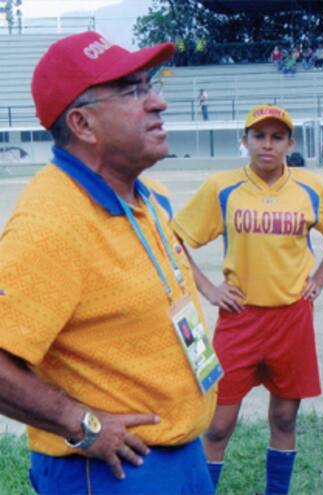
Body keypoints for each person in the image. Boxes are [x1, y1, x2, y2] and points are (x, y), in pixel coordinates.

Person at [0, 31, 217, 493]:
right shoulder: (52, 223)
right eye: (134, 91)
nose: (158, 102)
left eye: (150, 85)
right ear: (83, 124)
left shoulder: (145, 196)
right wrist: (81, 423)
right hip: (115, 469)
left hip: (179, 452)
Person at [172, 104, 323, 494]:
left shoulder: (310, 188)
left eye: (277, 137)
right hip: (240, 319)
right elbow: (175, 238)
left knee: (285, 418)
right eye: (259, 136)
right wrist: (209, 289)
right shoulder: (222, 187)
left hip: (292, 318)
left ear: (290, 144)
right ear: (245, 140)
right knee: (217, 424)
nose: (267, 145)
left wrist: (319, 278)